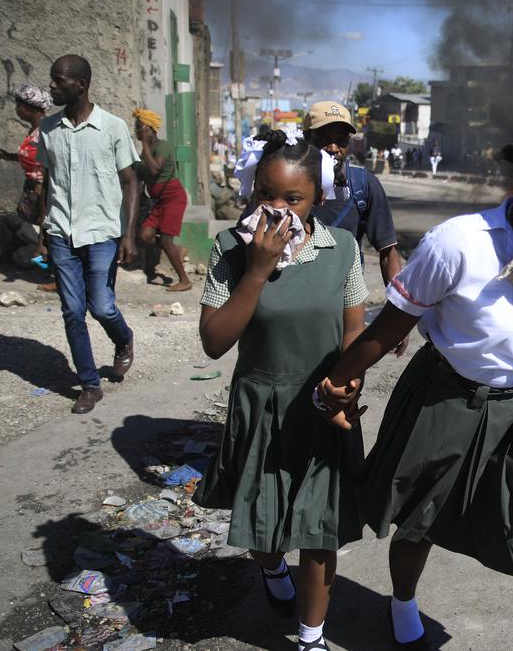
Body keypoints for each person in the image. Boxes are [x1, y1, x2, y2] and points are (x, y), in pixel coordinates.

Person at [315, 129, 513, 650]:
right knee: (418, 519)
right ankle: (402, 600)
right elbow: (391, 328)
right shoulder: (459, 242)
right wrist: (337, 381)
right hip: (444, 398)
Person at [193, 127, 367, 651]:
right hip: (261, 403)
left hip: (322, 405)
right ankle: (271, 571)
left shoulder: (342, 249)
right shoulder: (230, 247)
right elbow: (215, 342)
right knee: (263, 528)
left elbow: (353, 331)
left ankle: (311, 637)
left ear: (317, 198)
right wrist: (259, 269)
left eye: (293, 198)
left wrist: (348, 386)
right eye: (265, 195)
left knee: (318, 531)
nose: (277, 209)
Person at [36, 54, 139, 414]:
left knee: (101, 306)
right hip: (62, 230)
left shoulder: (112, 127)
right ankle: (89, 385)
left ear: (80, 85)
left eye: (58, 80)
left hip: (102, 233)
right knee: (72, 311)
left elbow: (130, 183)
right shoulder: (48, 130)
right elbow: (47, 182)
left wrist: (128, 235)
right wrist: (43, 230)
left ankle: (124, 340)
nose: (51, 86)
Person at [305, 101, 408, 356]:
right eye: (324, 139)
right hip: (294, 300)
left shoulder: (364, 185)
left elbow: (388, 253)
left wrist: (400, 317)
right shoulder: (286, 183)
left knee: (341, 381)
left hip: (344, 305)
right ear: (307, 138)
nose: (333, 148)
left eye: (340, 140)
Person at [0, 83, 56, 292]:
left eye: (19, 105)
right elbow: (31, 157)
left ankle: (58, 276)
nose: (16, 109)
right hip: (32, 188)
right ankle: (42, 265)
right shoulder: (35, 130)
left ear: (32, 107)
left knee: (47, 231)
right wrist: (9, 156)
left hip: (42, 188)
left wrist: (41, 186)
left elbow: (49, 162)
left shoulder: (46, 131)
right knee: (30, 229)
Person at [133, 108, 192, 292]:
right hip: (159, 201)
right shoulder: (147, 152)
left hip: (173, 198)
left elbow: (154, 169)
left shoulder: (162, 146)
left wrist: (144, 144)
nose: (135, 132)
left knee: (166, 241)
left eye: (138, 128)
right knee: (145, 235)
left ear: (147, 128)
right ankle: (178, 250)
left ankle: (184, 280)